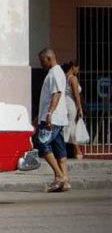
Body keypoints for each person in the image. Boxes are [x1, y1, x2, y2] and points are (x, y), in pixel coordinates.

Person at [36, 48, 69, 193]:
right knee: (60, 149)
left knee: (42, 144)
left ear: (49, 58)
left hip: (52, 118)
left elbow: (56, 94)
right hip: (58, 118)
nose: (41, 64)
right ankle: (65, 181)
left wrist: (49, 114)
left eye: (42, 61)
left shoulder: (55, 73)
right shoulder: (57, 72)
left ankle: (59, 176)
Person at [62, 60, 85, 159]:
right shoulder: (73, 78)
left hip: (65, 104)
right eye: (78, 68)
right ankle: (64, 150)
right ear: (73, 67)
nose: (78, 71)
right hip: (71, 105)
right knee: (69, 127)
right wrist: (80, 107)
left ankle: (77, 151)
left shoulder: (64, 77)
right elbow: (76, 95)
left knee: (71, 127)